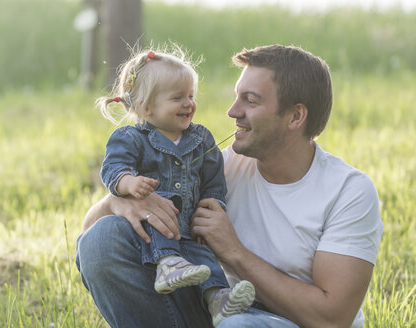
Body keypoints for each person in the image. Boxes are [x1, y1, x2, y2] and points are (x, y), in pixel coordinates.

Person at [76, 45, 384, 328]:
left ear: (295, 116)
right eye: (237, 97)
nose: (232, 112)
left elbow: (333, 319)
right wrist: (118, 204)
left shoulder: (348, 191)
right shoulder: (218, 167)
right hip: (216, 311)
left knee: (239, 326)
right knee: (102, 239)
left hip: (279, 322)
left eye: (250, 101)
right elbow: (87, 242)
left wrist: (233, 251)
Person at [94, 48, 255, 327]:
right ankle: (167, 265)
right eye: (177, 98)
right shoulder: (131, 138)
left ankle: (219, 300)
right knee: (160, 223)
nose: (188, 104)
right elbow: (112, 169)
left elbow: (213, 178)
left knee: (205, 259)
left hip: (191, 228)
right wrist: (129, 183)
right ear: (146, 107)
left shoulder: (201, 138)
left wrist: (214, 203)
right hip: (155, 223)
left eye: (191, 96)